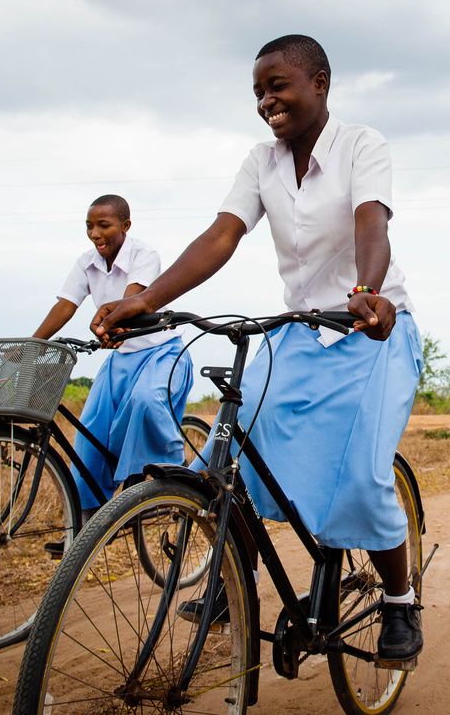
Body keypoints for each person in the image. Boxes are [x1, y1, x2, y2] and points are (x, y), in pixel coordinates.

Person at [91, 35, 424, 665]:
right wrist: (148, 300)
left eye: (279, 86)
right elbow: (222, 236)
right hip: (298, 332)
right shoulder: (261, 161)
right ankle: (227, 581)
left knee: (359, 474)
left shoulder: (361, 145)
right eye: (258, 92)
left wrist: (366, 291)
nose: (267, 101)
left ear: (320, 83)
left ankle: (401, 601)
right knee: (228, 453)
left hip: (370, 326)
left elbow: (371, 223)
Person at [33, 194, 193, 555]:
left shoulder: (144, 256)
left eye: (103, 225)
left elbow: (132, 299)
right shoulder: (86, 263)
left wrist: (108, 322)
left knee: (145, 402)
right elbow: (66, 304)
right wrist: (34, 342)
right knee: (90, 435)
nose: (95, 233)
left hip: (159, 352)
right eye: (89, 226)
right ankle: (85, 528)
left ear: (126, 225)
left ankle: (172, 476)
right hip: (120, 360)